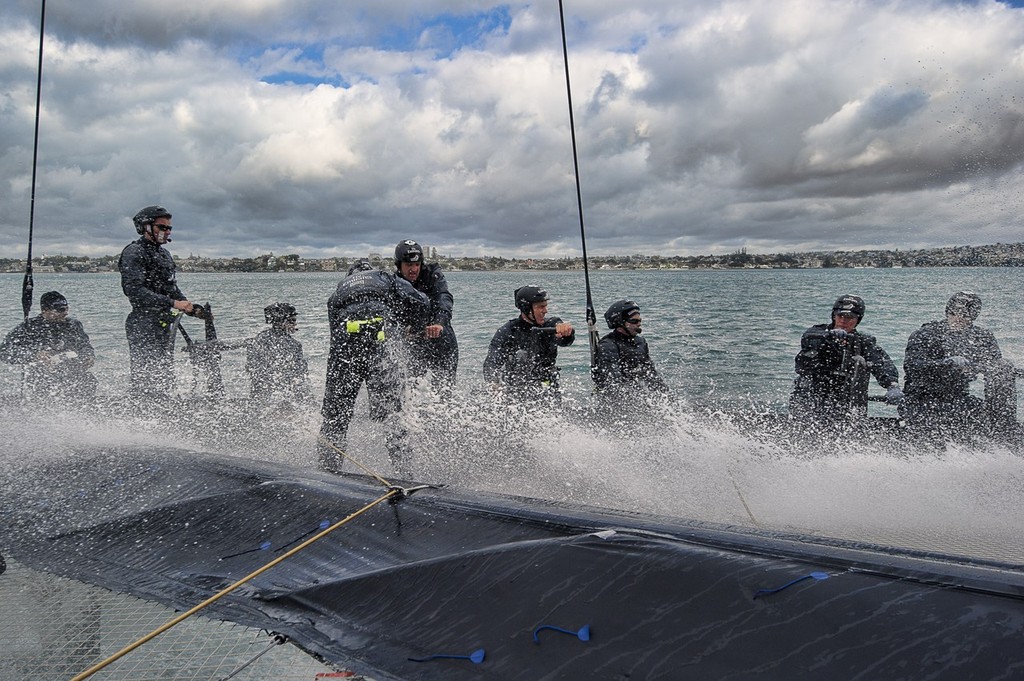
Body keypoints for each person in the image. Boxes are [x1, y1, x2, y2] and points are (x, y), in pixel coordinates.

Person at [318, 259, 429, 476]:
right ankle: (404, 474)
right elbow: (421, 301)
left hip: (345, 347)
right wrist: (412, 328)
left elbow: (334, 333)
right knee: (393, 417)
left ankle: (326, 472)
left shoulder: (339, 289)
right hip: (381, 344)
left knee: (335, 417)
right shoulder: (384, 276)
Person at [901, 291, 1017, 442]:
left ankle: (1004, 439)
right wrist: (946, 364)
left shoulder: (982, 337)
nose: (960, 318)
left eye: (968, 315)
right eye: (956, 313)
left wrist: (977, 367)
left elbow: (994, 366)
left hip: (959, 397)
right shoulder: (926, 333)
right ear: (948, 312)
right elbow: (912, 365)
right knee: (935, 427)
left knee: (1003, 368)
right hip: (922, 399)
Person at [118, 205, 204, 401]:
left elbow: (171, 288)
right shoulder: (134, 252)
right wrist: (174, 303)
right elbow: (134, 291)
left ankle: (165, 407)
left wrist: (191, 308)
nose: (167, 232)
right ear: (145, 227)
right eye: (162, 227)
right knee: (145, 374)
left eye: (169, 228)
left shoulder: (164, 254)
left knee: (164, 372)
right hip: (143, 323)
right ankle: (142, 409)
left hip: (164, 322)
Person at [789, 294, 903, 424]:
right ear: (834, 316)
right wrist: (829, 337)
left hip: (842, 400)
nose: (843, 321)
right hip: (809, 396)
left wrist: (892, 385)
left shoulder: (863, 342)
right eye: (840, 316)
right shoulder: (816, 334)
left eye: (850, 318)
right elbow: (809, 340)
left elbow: (881, 362)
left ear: (857, 320)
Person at [483, 285, 575, 404]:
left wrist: (566, 332)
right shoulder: (508, 332)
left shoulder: (551, 325)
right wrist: (493, 384)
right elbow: (491, 363)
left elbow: (565, 340)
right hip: (516, 392)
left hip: (547, 390)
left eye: (546, 306)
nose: (545, 311)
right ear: (526, 308)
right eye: (540, 307)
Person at [0, 291, 98, 402]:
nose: (65, 313)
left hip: (72, 374)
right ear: (44, 311)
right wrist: (34, 355)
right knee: (43, 383)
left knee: (89, 381)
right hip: (41, 378)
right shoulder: (29, 327)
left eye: (66, 309)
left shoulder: (73, 325)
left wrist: (88, 356)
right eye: (60, 310)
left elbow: (84, 345)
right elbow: (4, 352)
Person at [394, 240, 459, 391]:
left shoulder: (432, 274)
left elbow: (444, 297)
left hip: (440, 336)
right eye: (409, 265)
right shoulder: (394, 282)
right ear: (399, 265)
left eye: (417, 265)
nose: (413, 269)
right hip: (414, 340)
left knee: (445, 388)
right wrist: (401, 331)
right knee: (412, 388)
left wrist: (439, 322)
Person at [592, 300, 669, 405]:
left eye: (640, 321)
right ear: (620, 322)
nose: (639, 324)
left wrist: (667, 398)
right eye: (634, 321)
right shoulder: (608, 345)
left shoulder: (641, 342)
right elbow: (612, 380)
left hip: (636, 396)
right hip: (614, 402)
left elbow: (651, 374)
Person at [245, 303, 313, 406]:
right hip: (285, 399)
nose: (295, 324)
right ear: (282, 322)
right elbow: (301, 375)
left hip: (259, 397)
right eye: (292, 321)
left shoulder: (259, 339)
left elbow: (250, 368)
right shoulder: (294, 345)